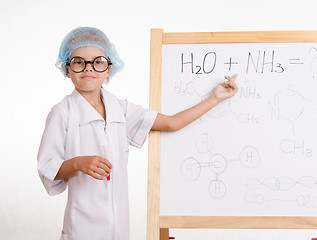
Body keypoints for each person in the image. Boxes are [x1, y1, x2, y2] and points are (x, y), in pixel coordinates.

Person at [37, 26, 238, 240]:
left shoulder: (120, 109)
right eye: (79, 62)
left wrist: (215, 98)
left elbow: (171, 123)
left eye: (98, 62)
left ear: (109, 69)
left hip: (120, 228)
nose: (89, 68)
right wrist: (78, 163)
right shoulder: (62, 113)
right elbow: (47, 167)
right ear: (67, 69)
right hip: (82, 229)